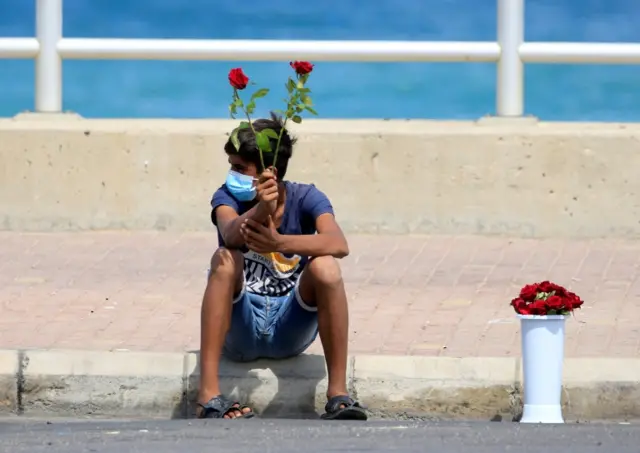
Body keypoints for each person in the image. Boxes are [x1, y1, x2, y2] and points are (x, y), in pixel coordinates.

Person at [196, 114, 368, 421]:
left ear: (269, 173)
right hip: (241, 329)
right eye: (231, 165)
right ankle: (208, 396)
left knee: (326, 267)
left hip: (290, 327)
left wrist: (279, 243)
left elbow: (338, 244)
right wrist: (262, 209)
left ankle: (338, 394)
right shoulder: (227, 197)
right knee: (224, 259)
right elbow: (231, 234)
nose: (232, 174)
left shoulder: (306, 197)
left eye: (240, 168)